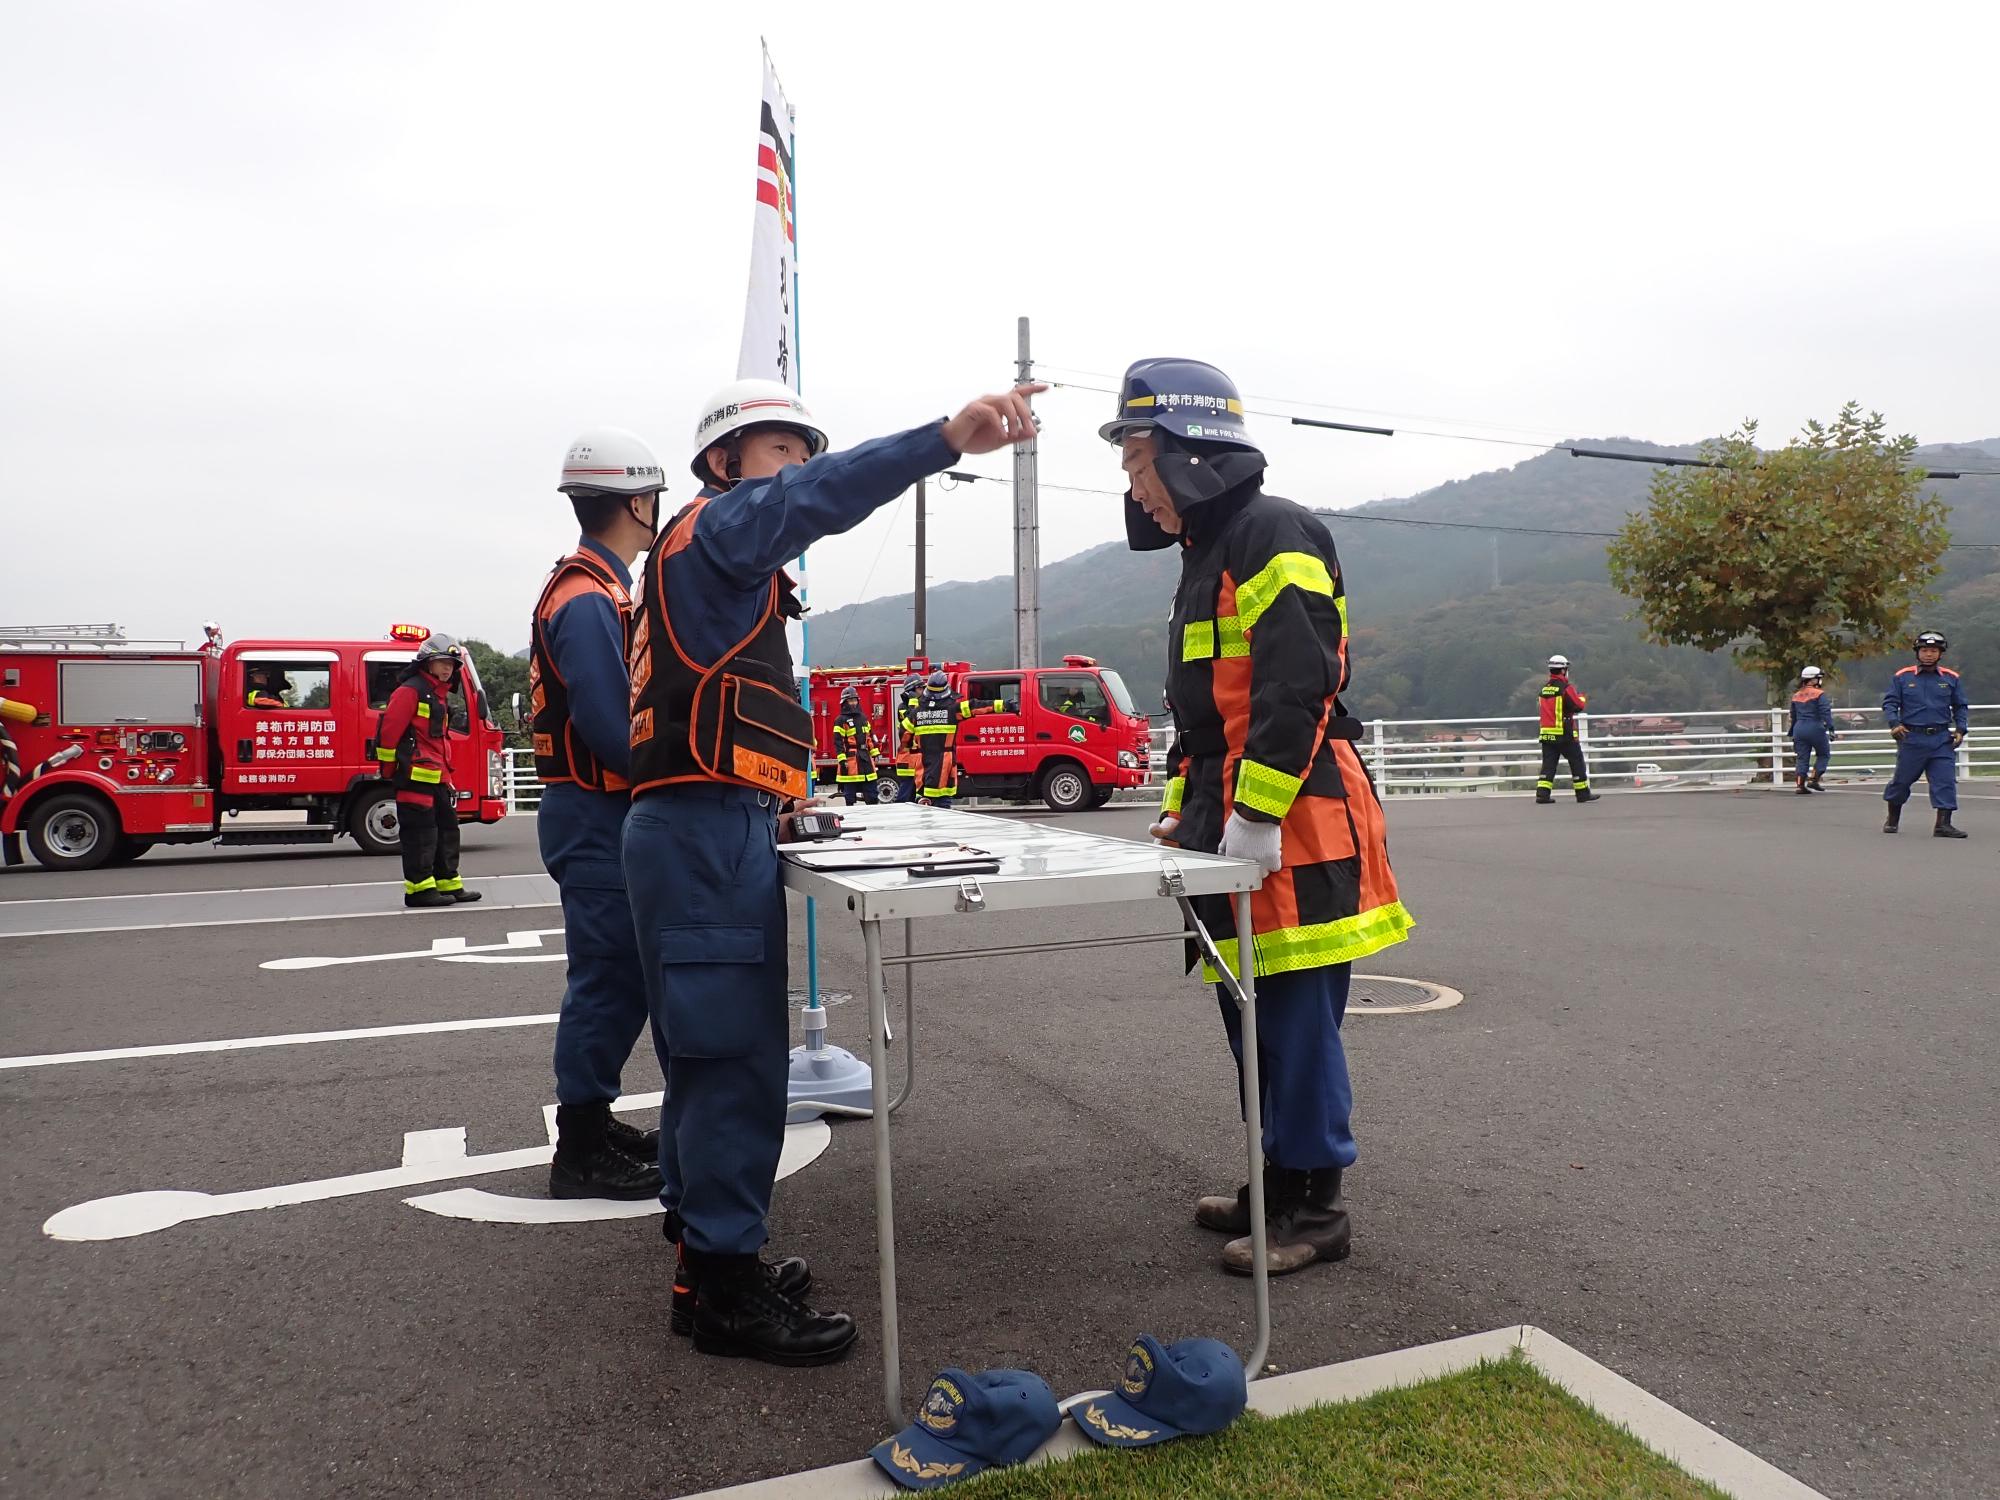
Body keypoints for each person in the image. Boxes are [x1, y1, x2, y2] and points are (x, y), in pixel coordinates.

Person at [623, 376, 1042, 1364]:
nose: (798, 471)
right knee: (731, 1062)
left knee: (703, 1057)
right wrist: (943, 439)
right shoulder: (720, 529)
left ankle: (703, 1262)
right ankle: (725, 1289)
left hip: (700, 820)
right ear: (726, 463)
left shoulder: (707, 563)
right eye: (780, 451)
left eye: (803, 451)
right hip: (699, 829)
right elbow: (819, 497)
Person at [1105, 357, 1414, 1276]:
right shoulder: (1209, 552)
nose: (1134, 488)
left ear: (1188, 451)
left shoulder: (1273, 532)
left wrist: (1254, 811)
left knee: (1291, 1016)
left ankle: (1316, 1206)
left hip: (1297, 814)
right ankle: (1277, 1177)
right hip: (1233, 815)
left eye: (1136, 464)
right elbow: (1200, 713)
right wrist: (1184, 811)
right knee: (1247, 1012)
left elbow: (1299, 681)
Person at [530, 427, 667, 1200]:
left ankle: (594, 1120)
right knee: (609, 979)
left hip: (591, 808)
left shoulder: (590, 585)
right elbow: (611, 728)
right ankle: (579, 1145)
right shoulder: (590, 599)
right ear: (640, 503)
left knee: (618, 977)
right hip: (595, 812)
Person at [375, 634, 481, 908]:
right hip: (414, 777)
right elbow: (388, 734)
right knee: (420, 835)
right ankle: (419, 891)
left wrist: (447, 775)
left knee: (447, 830)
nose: (447, 668)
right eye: (442, 662)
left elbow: (438, 741)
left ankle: (448, 883)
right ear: (427, 663)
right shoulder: (410, 691)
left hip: (437, 777)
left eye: (451, 664)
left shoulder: (438, 694)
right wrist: (389, 770)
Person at [1882, 630, 1970, 838]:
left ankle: (1943, 825)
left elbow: (1960, 706)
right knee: (1901, 781)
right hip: (1912, 737)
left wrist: (1960, 729)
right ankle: (1892, 818)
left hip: (1941, 738)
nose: (1928, 654)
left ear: (1940, 654)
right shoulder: (1903, 677)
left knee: (1945, 781)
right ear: (1917, 652)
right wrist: (1894, 724)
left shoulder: (1951, 678)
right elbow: (1890, 703)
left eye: (1933, 651)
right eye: (1924, 650)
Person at [1536, 656, 1598, 804]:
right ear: (1563, 670)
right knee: (1576, 762)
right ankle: (1582, 794)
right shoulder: (1566, 688)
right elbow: (1578, 706)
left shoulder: (1544, 689)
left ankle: (1542, 795)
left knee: (1548, 765)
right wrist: (1582, 697)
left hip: (1547, 734)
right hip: (1564, 733)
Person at [910, 669, 969, 801]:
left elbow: (904, 734)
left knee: (924, 806)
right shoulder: (953, 709)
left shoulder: (917, 712)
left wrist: (912, 746)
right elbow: (976, 706)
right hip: (945, 761)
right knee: (943, 801)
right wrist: (1005, 706)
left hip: (923, 761)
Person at [1788, 665, 1835, 794]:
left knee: (1802, 758)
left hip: (1799, 729)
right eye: (1819, 678)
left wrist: (1792, 732)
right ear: (1814, 679)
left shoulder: (1796, 695)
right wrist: (1831, 728)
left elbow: (1793, 715)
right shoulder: (1819, 694)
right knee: (1823, 754)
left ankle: (1800, 785)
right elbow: (1825, 712)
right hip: (1815, 727)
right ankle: (1814, 779)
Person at [831, 687, 879, 805]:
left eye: (855, 700)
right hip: (851, 759)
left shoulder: (863, 718)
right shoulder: (840, 720)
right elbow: (838, 742)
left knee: (872, 792)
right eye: (850, 700)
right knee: (850, 795)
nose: (853, 703)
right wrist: (842, 759)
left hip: (865, 757)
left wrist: (874, 752)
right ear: (845, 702)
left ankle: (872, 812)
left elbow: (869, 736)